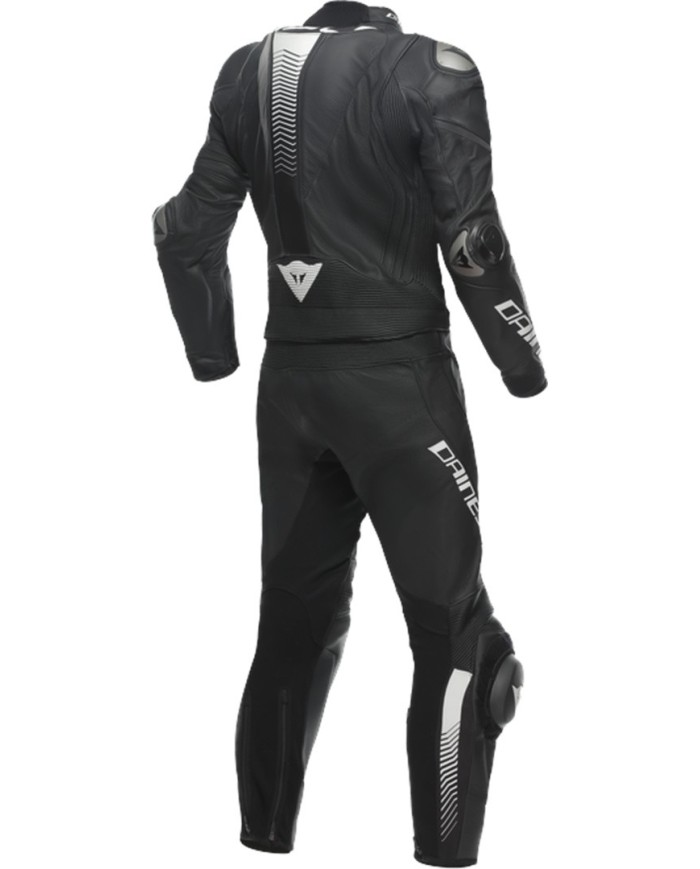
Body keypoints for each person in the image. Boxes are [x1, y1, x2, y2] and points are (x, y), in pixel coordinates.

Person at [151, 2, 547, 865]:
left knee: (293, 620)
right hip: (403, 388)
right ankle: (446, 851)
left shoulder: (247, 74)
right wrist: (523, 362)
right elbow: (473, 241)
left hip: (292, 391)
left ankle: (263, 838)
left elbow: (185, 234)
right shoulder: (434, 69)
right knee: (458, 639)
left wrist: (213, 355)